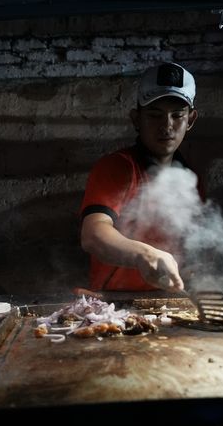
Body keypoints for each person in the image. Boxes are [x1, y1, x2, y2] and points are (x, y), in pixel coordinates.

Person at [79, 62, 202, 292]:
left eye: (177, 115)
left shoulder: (191, 179)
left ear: (191, 120)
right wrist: (144, 254)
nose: (167, 126)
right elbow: (93, 233)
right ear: (136, 119)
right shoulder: (117, 167)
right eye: (155, 115)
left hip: (171, 307)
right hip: (115, 306)